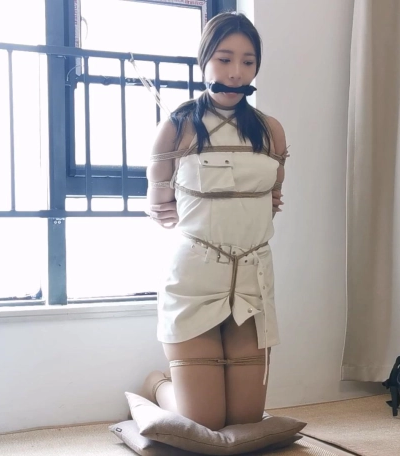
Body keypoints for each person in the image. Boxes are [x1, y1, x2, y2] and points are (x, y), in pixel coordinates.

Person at [141, 12, 288, 432]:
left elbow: (271, 200)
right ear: (204, 60)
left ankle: (181, 389)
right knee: (205, 423)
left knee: (244, 421)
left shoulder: (271, 131)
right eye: (224, 59)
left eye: (247, 61)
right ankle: (157, 387)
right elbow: (161, 206)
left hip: (253, 280)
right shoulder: (176, 128)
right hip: (195, 280)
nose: (236, 72)